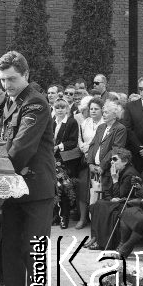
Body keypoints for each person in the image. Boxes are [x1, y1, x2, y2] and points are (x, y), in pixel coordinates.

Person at [0, 51, 55, 286]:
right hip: (13, 187)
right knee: (10, 249)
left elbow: (22, 147)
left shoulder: (35, 102)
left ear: (26, 75)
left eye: (11, 79)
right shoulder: (11, 101)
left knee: (35, 252)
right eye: (2, 79)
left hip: (34, 188)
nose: (6, 85)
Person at [85, 148, 139, 250]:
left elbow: (121, 194)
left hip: (128, 203)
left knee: (101, 205)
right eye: (111, 159)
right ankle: (96, 237)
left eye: (115, 159)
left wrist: (115, 180)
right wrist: (111, 198)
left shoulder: (129, 173)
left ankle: (102, 242)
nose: (112, 162)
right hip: (118, 201)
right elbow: (108, 192)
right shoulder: (117, 170)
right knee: (98, 204)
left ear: (125, 161)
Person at [87, 100, 127, 199]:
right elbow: (93, 145)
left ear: (114, 115)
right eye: (104, 112)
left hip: (107, 170)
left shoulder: (120, 128)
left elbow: (115, 149)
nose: (103, 114)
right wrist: (90, 163)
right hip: (94, 169)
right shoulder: (101, 127)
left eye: (106, 112)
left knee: (104, 197)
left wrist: (102, 166)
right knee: (93, 197)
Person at [52, 98, 79, 229]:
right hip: (52, 160)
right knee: (54, 190)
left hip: (64, 161)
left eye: (62, 108)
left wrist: (58, 146)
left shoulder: (71, 122)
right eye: (57, 108)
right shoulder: (52, 122)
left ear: (67, 109)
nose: (60, 110)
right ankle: (55, 217)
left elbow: (73, 142)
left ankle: (64, 218)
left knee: (64, 189)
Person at [77, 97, 104, 228]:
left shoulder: (105, 124)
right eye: (91, 109)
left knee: (96, 189)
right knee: (82, 187)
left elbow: (100, 142)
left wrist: (91, 149)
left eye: (96, 109)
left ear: (102, 110)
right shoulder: (85, 122)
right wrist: (84, 148)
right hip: (85, 160)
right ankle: (82, 218)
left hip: (97, 161)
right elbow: (80, 139)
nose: (93, 111)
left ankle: (96, 221)